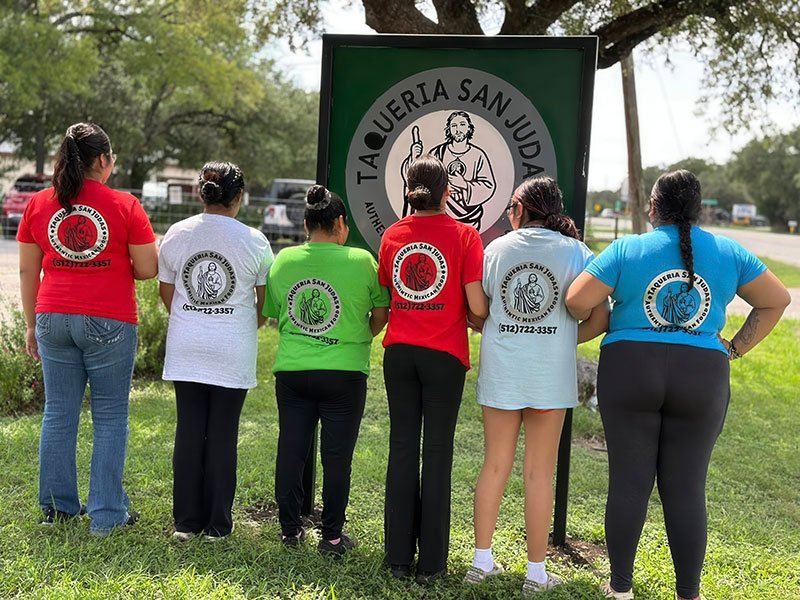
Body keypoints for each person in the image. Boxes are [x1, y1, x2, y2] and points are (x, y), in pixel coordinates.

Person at [565, 170, 790, 600]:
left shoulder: (628, 248)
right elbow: (777, 299)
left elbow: (577, 300)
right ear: (698, 208)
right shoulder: (728, 251)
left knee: (629, 482)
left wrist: (622, 313)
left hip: (630, 368)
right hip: (702, 372)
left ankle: (620, 589)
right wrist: (735, 348)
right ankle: (688, 592)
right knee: (687, 485)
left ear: (653, 206)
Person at [464, 177, 608, 595]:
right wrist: (561, 342)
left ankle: (480, 561)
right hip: (550, 376)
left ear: (521, 209)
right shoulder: (578, 253)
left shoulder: (495, 250)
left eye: (511, 205)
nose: (508, 212)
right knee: (539, 474)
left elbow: (480, 311)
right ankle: (536, 573)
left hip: (503, 372)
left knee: (494, 465)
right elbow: (600, 319)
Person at [17, 122, 158, 535]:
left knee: (58, 413)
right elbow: (148, 268)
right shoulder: (124, 205)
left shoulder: (40, 203)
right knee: (111, 416)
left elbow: (28, 269)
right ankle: (107, 516)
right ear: (103, 160)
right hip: (109, 319)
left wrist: (31, 325)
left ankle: (59, 509)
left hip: (52, 316)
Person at [379, 154, 489, 584]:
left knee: (402, 447)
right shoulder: (465, 236)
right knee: (437, 451)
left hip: (400, 354)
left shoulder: (393, 235)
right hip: (444, 355)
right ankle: (432, 565)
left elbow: (391, 294)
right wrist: (470, 315)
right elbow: (477, 306)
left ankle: (398, 558)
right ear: (448, 193)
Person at [265, 184, 390, 557]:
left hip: (293, 372)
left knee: (291, 450)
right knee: (337, 457)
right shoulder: (362, 261)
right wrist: (352, 337)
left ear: (305, 224)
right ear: (340, 223)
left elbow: (276, 315)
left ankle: (289, 531)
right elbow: (381, 315)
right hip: (345, 373)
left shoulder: (284, 260)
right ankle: (332, 537)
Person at [158, 161, 273, 541]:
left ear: (200, 193)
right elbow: (263, 304)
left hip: (187, 346)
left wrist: (195, 317)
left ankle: (185, 523)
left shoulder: (176, 233)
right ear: (238, 197)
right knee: (223, 434)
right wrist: (236, 323)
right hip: (232, 348)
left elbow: (168, 294)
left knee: (189, 430)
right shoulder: (254, 240)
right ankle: (218, 526)